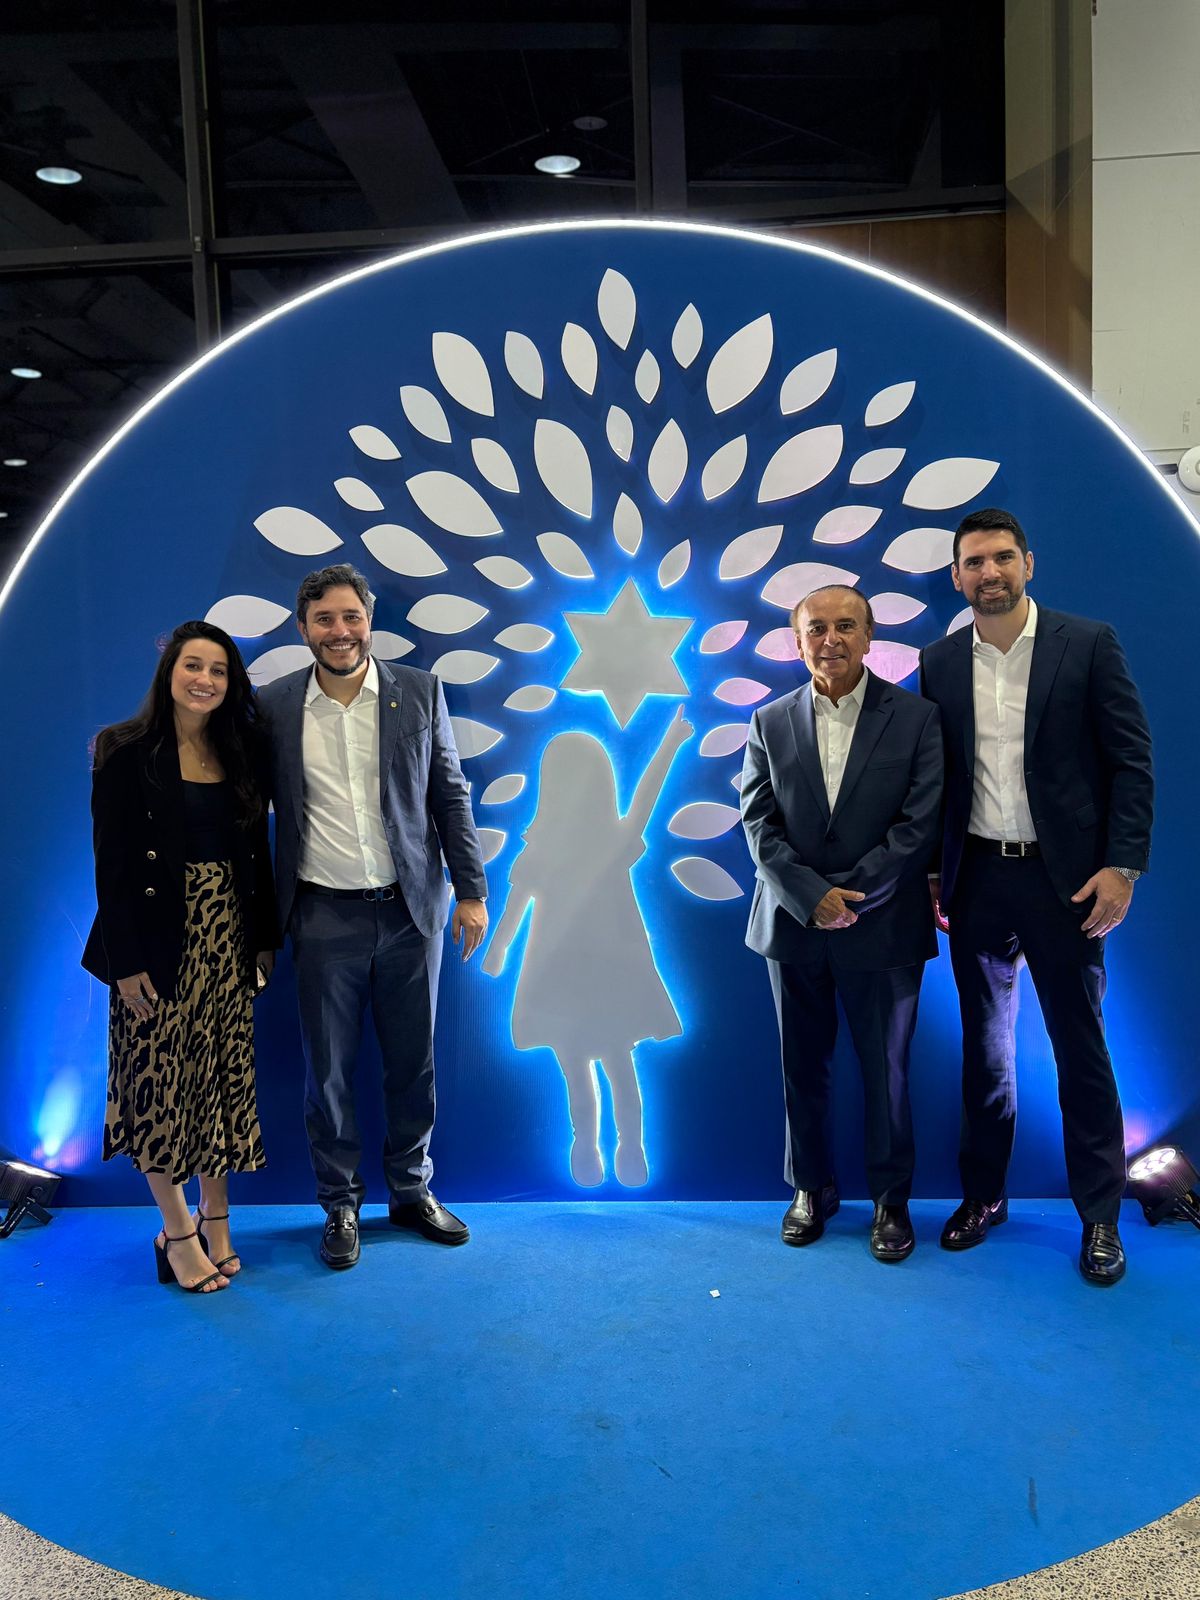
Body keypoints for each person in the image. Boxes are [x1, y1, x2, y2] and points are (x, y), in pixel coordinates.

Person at [919, 507, 1153, 1287]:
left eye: (1001, 557)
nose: (988, 572)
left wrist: (1123, 867)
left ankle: (1100, 1217)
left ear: (1028, 563)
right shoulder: (938, 663)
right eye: (974, 562)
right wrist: (935, 873)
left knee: (1080, 1050)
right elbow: (939, 782)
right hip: (978, 882)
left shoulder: (1087, 644)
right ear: (957, 577)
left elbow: (1131, 762)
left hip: (1068, 884)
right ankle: (984, 1197)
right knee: (984, 1053)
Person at [258, 564, 487, 1271]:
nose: (340, 631)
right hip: (321, 915)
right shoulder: (272, 706)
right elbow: (246, 817)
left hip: (411, 914)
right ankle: (340, 1204)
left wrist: (472, 890)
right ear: (303, 629)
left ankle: (411, 1193)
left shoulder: (419, 691)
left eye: (350, 617)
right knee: (327, 1073)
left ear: (369, 619)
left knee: (413, 1066)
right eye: (324, 619)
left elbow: (450, 793)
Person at [740, 586, 943, 1262]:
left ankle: (891, 1200)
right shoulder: (768, 720)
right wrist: (812, 896)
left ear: (868, 636)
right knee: (801, 1068)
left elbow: (919, 824)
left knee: (887, 1074)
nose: (831, 639)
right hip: (792, 925)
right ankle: (810, 1187)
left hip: (884, 928)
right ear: (798, 641)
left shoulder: (917, 718)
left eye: (846, 626)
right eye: (817, 628)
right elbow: (758, 824)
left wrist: (850, 896)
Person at [83, 621, 279, 1294]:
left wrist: (263, 941)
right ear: (169, 672)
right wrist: (125, 960)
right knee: (159, 1088)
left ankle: (215, 1216)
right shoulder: (123, 749)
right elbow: (110, 866)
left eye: (219, 670)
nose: (205, 680)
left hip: (227, 937)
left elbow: (257, 858)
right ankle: (177, 1235)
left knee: (218, 1081)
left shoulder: (242, 749)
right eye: (193, 665)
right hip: (153, 942)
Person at [481, 710, 692, 1187]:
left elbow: (645, 799)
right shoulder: (580, 844)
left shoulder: (591, 843)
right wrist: (499, 948)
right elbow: (516, 904)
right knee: (605, 1062)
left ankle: (620, 1145)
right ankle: (600, 1145)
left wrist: (500, 950)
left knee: (593, 1063)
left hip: (589, 969)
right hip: (581, 969)